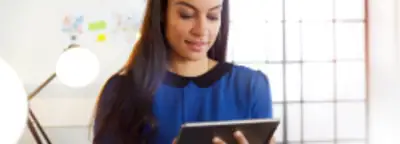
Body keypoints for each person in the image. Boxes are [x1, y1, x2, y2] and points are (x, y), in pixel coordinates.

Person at [92, 0, 274, 143]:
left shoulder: (250, 86)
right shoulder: (121, 90)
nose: (202, 30)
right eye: (186, 15)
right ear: (162, 13)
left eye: (212, 16)